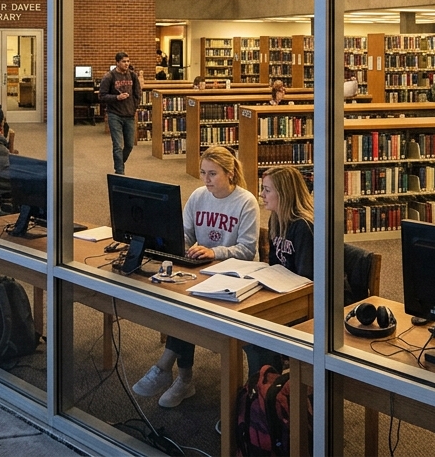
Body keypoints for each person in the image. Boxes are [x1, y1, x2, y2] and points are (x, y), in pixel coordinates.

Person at [133, 146, 259, 408]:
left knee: (188, 307)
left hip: (234, 275)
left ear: (230, 173)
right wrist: (178, 246)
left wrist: (214, 251)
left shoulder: (246, 201)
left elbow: (247, 250)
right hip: (200, 269)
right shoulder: (198, 196)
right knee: (180, 301)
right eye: (203, 173)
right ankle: (182, 377)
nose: (206, 179)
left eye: (212, 173)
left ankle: (171, 370)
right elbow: (185, 234)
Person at [243, 165, 313, 376]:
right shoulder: (276, 218)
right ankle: (263, 383)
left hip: (309, 297)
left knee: (257, 333)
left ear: (284, 194)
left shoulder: (304, 226)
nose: (261, 195)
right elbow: (275, 263)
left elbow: (307, 277)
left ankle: (267, 384)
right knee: (247, 321)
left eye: (267, 190)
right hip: (285, 287)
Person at [99, 52, 142, 175]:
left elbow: (137, 93)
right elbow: (102, 96)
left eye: (128, 61)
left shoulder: (132, 76)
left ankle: (119, 163)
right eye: (124, 61)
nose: (126, 64)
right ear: (117, 62)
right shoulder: (109, 77)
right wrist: (117, 97)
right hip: (114, 115)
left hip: (129, 115)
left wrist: (134, 107)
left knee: (129, 145)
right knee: (118, 145)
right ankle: (120, 172)